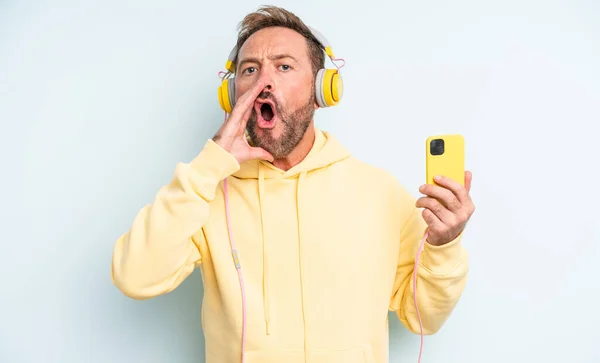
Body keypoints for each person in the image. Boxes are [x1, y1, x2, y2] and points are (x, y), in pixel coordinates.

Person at [111, 5, 475, 363]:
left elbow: (423, 316)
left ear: (321, 90)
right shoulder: (206, 193)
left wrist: (444, 245)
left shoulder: (379, 192)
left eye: (284, 66)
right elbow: (136, 277)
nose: (263, 81)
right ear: (232, 94)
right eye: (250, 69)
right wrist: (210, 164)